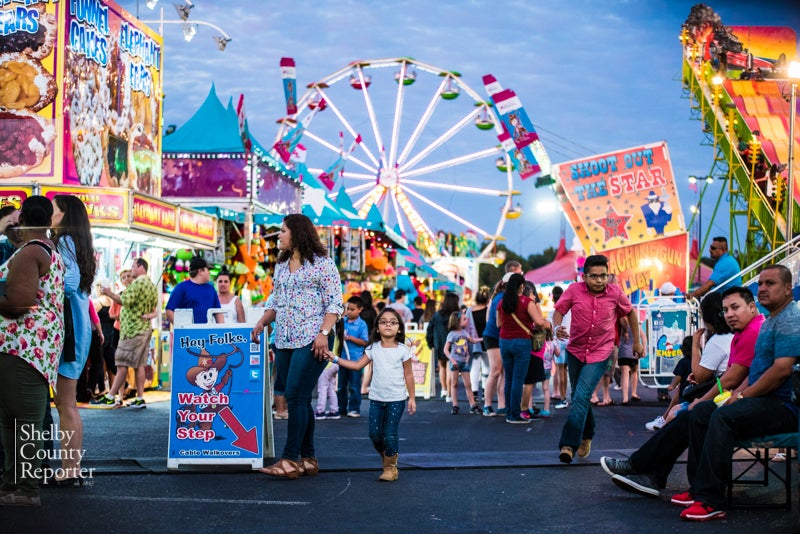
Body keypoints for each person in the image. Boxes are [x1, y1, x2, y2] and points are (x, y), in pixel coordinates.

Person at [600, 285, 764, 510]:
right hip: (739, 397)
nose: (730, 314)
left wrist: (711, 394)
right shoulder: (745, 332)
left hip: (757, 402)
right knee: (690, 412)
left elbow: (727, 378)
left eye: (735, 307)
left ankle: (661, 476)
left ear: (752, 307)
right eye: (726, 310)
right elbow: (740, 376)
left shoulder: (751, 332)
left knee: (693, 412)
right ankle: (656, 475)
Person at [677, 268, 798, 521]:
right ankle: (699, 489)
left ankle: (711, 501)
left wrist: (742, 397)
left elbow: (781, 371)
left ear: (788, 288)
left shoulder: (789, 319)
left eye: (770, 283)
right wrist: (737, 394)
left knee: (723, 417)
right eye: (760, 283)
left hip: (783, 406)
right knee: (701, 412)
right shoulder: (771, 319)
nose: (763, 287)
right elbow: (755, 372)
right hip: (762, 400)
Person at [250, 213, 343, 479]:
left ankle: (290, 459)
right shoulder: (281, 265)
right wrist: (262, 323)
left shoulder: (323, 264)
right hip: (284, 338)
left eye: (282, 231)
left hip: (313, 338)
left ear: (297, 233)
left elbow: (335, 302)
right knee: (300, 398)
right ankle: (308, 458)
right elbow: (275, 300)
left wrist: (324, 332)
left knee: (294, 395)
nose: (278, 235)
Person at [0, 196, 64, 507]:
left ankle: (25, 489)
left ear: (23, 219)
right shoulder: (47, 248)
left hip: (21, 346)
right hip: (35, 347)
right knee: (16, 419)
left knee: (22, 420)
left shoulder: (29, 254)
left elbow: (19, 304)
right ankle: (14, 484)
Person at [553, 255, 643, 463]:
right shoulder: (573, 290)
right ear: (585, 276)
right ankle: (587, 433)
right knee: (580, 396)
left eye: (604, 276)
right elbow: (558, 311)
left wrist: (638, 342)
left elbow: (631, 314)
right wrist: (557, 328)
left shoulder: (615, 293)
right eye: (594, 276)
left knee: (582, 395)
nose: (600, 280)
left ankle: (568, 444)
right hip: (575, 350)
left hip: (601, 352)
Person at [325, 308, 415, 481]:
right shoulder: (373, 348)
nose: (388, 324)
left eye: (393, 322)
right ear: (378, 327)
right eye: (384, 321)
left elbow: (409, 375)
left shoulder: (403, 350)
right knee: (374, 434)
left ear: (399, 328)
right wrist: (335, 359)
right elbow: (357, 365)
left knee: (390, 433)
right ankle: (388, 456)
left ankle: (390, 468)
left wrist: (411, 398)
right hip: (376, 399)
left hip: (396, 399)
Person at [51, 194, 97, 485]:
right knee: (67, 403)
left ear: (65, 214)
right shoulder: (75, 242)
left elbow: (68, 282)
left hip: (70, 329)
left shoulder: (63, 241)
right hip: (78, 327)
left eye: (54, 209)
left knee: (65, 403)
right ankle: (72, 467)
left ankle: (70, 469)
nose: (50, 214)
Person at [91, 257, 158, 409]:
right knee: (139, 365)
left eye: (134, 266)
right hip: (144, 329)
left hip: (132, 330)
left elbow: (124, 300)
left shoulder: (138, 283)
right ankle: (139, 398)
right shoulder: (151, 285)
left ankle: (110, 396)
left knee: (121, 363)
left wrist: (108, 293)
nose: (131, 270)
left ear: (141, 268)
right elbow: (153, 307)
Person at [497, 273, 546, 424]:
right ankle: (515, 415)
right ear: (522, 286)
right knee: (518, 379)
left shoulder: (502, 302)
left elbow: (498, 324)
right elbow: (539, 322)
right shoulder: (526, 302)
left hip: (504, 341)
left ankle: (509, 412)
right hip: (521, 342)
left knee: (509, 379)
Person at [645, 336, 693, 431]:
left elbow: (678, 376)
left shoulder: (683, 362)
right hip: (694, 391)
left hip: (684, 393)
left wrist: (672, 385)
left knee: (677, 410)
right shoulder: (698, 361)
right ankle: (665, 421)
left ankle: (665, 423)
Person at [166, 257, 223, 325]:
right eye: (208, 270)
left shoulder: (211, 289)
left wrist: (221, 330)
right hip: (188, 334)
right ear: (200, 271)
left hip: (207, 333)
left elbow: (218, 313)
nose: (209, 273)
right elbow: (169, 311)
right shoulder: (181, 288)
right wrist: (181, 328)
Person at [337, 296, 369, 417]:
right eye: (348, 309)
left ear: (360, 309)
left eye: (352, 309)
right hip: (342, 359)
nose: (349, 311)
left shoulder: (362, 324)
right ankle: (342, 408)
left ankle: (354, 408)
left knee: (355, 386)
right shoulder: (342, 322)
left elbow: (365, 342)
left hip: (356, 360)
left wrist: (350, 338)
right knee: (341, 386)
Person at [444, 311, 481, 415]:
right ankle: (455, 405)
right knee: (454, 383)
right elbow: (446, 349)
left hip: (464, 362)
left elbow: (472, 340)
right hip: (455, 362)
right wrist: (452, 360)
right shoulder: (452, 334)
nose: (467, 320)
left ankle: (473, 404)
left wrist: (482, 339)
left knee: (468, 384)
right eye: (464, 319)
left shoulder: (464, 332)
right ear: (458, 322)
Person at [426, 292, 460, 402]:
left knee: (442, 366)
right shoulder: (457, 315)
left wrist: (430, 343)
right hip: (453, 344)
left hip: (439, 344)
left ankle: (444, 389)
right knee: (451, 368)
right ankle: (450, 394)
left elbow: (429, 329)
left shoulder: (437, 315)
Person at [465, 287, 489, 404]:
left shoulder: (469, 311)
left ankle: (474, 394)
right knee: (487, 368)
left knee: (474, 369)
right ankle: (485, 392)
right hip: (487, 342)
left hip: (473, 342)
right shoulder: (489, 311)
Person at [550, 286, 570, 409]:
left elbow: (550, 330)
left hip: (559, 342)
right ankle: (565, 397)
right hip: (570, 341)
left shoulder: (552, 313)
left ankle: (562, 398)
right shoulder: (569, 311)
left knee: (560, 371)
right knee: (566, 371)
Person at [359, 291, 378, 395]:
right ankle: (364, 387)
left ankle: (356, 385)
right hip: (369, 340)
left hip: (356, 339)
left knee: (355, 362)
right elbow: (376, 326)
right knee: (368, 364)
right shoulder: (372, 311)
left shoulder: (358, 311)